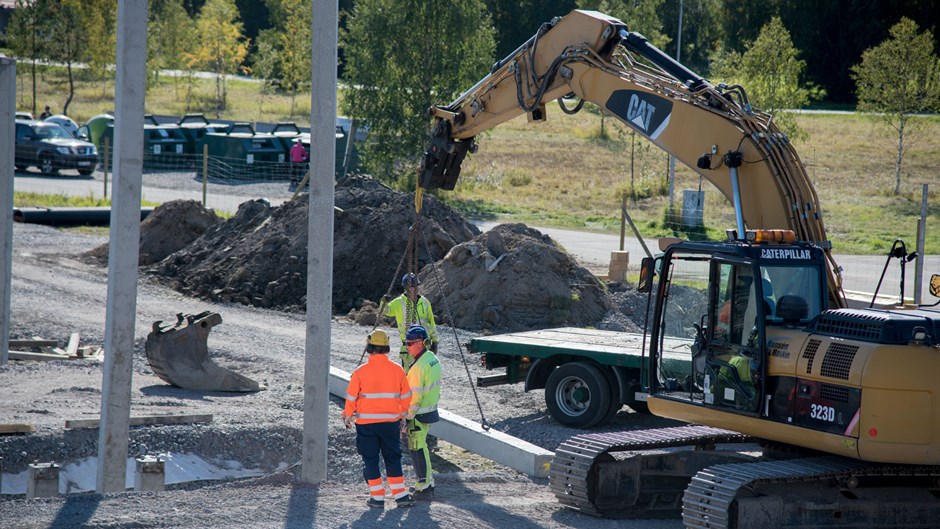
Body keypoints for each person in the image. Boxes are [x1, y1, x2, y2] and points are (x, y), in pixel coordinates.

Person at [342, 330, 416, 509]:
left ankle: (377, 498)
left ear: (369, 347)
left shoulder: (360, 372)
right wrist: (401, 414)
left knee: (370, 459)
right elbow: (406, 396)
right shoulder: (397, 370)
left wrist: (347, 417)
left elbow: (351, 398)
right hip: (390, 423)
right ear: (387, 348)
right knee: (392, 457)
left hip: (366, 425)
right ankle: (401, 496)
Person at [403, 325, 441, 500]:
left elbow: (415, 398)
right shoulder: (432, 358)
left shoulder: (418, 367)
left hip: (418, 414)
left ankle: (423, 487)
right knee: (423, 446)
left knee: (416, 448)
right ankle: (428, 482)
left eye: (411, 343)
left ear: (422, 343)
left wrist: (407, 417)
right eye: (406, 343)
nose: (408, 347)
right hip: (429, 411)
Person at [385, 273, 438, 371]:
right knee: (409, 375)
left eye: (416, 285)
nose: (416, 288)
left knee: (426, 373)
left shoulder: (425, 302)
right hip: (409, 345)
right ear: (406, 288)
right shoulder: (398, 302)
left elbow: (431, 322)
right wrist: (384, 302)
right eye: (413, 286)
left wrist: (435, 341)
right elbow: (386, 311)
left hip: (426, 344)